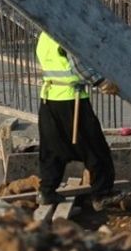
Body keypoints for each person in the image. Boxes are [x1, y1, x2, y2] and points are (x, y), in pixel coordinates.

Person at [36, 31, 117, 205]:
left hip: (49, 100)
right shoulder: (65, 34)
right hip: (72, 101)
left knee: (52, 150)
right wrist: (101, 82)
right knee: (95, 148)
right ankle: (102, 195)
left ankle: (46, 191)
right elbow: (79, 69)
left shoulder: (44, 36)